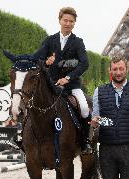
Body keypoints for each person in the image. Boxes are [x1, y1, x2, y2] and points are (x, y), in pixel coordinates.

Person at [32, 7, 92, 154]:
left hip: (72, 85)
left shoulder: (78, 42)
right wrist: (46, 62)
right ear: (60, 20)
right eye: (65, 20)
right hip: (51, 86)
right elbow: (36, 59)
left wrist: (68, 78)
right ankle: (24, 137)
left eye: (71, 21)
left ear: (74, 23)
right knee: (31, 103)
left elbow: (84, 63)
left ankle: (85, 142)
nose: (68, 23)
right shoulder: (49, 40)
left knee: (84, 108)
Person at [90, 55, 129, 179]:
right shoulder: (99, 91)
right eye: (115, 69)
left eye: (121, 69)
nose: (118, 72)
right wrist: (95, 123)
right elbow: (99, 118)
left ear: (126, 69)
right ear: (110, 71)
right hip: (107, 148)